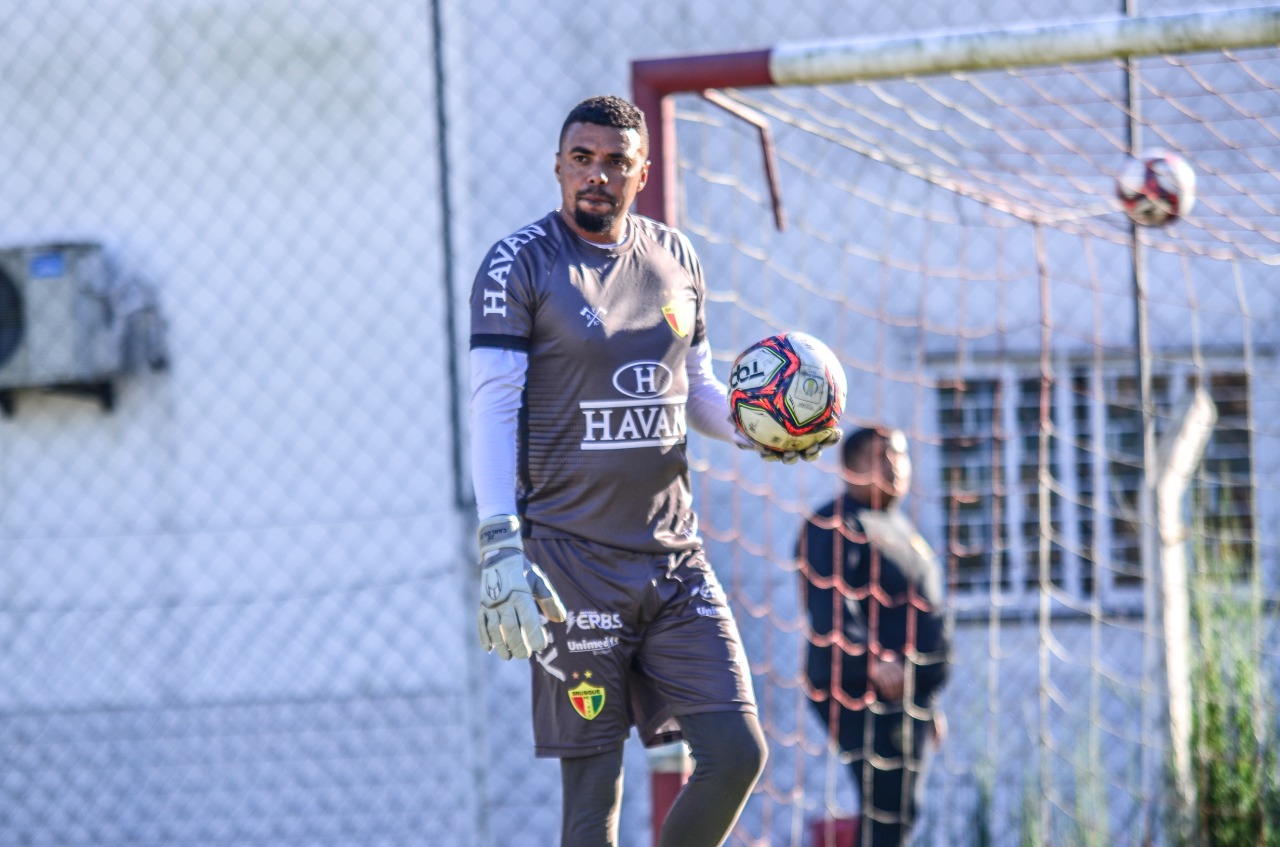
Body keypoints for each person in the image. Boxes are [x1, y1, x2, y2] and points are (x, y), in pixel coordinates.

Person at [467, 95, 839, 847]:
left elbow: (696, 387)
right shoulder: (518, 264)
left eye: (615, 161)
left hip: (675, 563)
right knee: (592, 800)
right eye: (582, 158)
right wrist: (500, 540)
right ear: (559, 166)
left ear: (642, 172)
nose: (596, 175)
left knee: (737, 753)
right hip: (571, 566)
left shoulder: (677, 256)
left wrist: (751, 432)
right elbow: (492, 406)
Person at [797, 426, 952, 847]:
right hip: (861, 688)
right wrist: (871, 659)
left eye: (901, 456)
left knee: (903, 806)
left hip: (910, 693)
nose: (896, 466)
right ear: (851, 468)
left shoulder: (901, 527)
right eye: (882, 458)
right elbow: (828, 605)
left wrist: (929, 701)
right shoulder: (835, 523)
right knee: (885, 802)